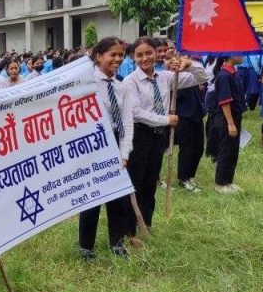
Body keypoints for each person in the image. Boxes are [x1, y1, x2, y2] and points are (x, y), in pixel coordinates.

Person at [122, 37, 208, 228]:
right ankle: (130, 229)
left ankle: (147, 224)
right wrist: (166, 120)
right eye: (140, 55)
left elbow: (203, 77)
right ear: (133, 57)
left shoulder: (166, 77)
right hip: (139, 135)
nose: (145, 58)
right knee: (136, 183)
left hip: (158, 137)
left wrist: (189, 64)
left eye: (149, 53)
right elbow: (136, 112)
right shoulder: (130, 81)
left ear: (157, 53)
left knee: (150, 182)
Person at [78, 37, 135, 260]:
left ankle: (117, 243)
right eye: (113, 54)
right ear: (98, 56)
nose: (118, 59)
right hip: (91, 143)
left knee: (118, 197)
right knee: (91, 196)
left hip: (115, 140)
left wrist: (124, 153)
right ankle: (86, 247)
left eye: (121, 55)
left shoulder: (122, 87)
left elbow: (128, 123)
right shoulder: (85, 84)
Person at [210, 56, 246, 193]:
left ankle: (228, 181)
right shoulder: (224, 75)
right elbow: (225, 101)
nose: (242, 56)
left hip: (235, 116)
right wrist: (230, 123)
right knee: (225, 150)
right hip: (226, 118)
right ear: (231, 55)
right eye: (240, 53)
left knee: (233, 150)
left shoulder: (233, 72)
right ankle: (220, 183)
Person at [175, 56, 208, 193]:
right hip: (183, 116)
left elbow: (204, 77)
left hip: (196, 114)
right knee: (187, 149)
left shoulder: (193, 74)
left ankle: (190, 176)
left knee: (198, 148)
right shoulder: (175, 76)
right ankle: (183, 179)